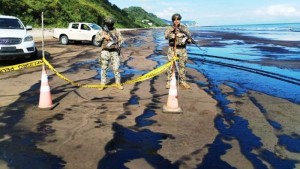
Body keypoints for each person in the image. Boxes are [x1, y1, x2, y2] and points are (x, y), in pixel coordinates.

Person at [95, 17, 124, 91]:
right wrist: (103, 36)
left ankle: (118, 83)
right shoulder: (102, 30)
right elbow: (96, 39)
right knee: (103, 68)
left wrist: (118, 43)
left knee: (116, 68)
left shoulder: (116, 31)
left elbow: (122, 39)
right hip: (105, 51)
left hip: (114, 51)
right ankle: (102, 84)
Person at [164, 13, 192, 89]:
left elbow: (189, 36)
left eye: (178, 20)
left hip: (182, 49)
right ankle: (168, 81)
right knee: (170, 65)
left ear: (180, 20)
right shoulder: (170, 28)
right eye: (175, 20)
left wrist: (188, 39)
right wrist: (173, 34)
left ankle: (182, 81)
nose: (176, 21)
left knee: (182, 65)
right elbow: (166, 36)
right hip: (173, 49)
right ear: (173, 21)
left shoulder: (184, 28)